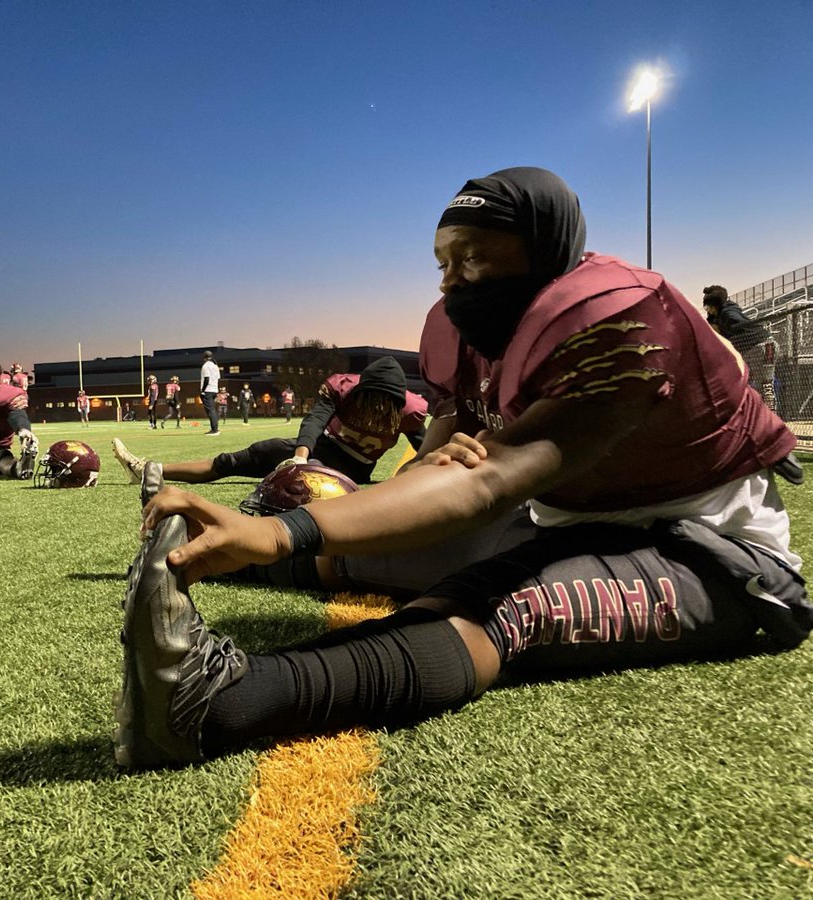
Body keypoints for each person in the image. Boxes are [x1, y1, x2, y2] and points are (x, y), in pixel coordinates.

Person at [112, 165, 810, 771]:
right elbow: (438, 471)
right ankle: (206, 559)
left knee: (505, 602)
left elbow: (487, 480)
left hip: (705, 543)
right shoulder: (462, 335)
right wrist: (400, 480)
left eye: (475, 256)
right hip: (559, 518)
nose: (454, 280)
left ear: (546, 249)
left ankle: (217, 704)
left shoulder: (621, 317)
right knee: (390, 546)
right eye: (445, 261)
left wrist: (281, 530)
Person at [112, 355, 427, 490]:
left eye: (384, 405)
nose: (375, 409)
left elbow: (426, 448)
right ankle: (148, 470)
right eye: (370, 401)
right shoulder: (343, 389)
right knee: (239, 459)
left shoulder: (411, 412)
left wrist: (410, 477)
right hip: (324, 450)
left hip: (355, 469)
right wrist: (301, 455)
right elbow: (315, 420)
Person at [702, 285, 778, 410]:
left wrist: (724, 330)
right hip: (764, 345)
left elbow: (734, 322)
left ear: (714, 306)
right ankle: (764, 415)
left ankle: (767, 417)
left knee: (762, 385)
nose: (707, 310)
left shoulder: (728, 314)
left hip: (758, 347)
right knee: (760, 384)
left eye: (707, 307)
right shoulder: (726, 310)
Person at [200, 350, 221, 435]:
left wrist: (203, 390)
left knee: (210, 410)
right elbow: (218, 378)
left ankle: (214, 429)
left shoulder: (205, 366)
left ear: (204, 357)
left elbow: (206, 379)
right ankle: (215, 428)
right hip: (214, 389)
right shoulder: (215, 366)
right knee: (213, 410)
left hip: (208, 390)